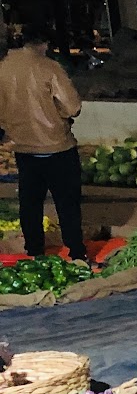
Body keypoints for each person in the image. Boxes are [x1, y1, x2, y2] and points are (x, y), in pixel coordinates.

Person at [0, 25, 88, 261]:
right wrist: (62, 116)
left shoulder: (3, 67)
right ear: (44, 43)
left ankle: (34, 251)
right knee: (67, 203)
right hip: (57, 146)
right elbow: (72, 106)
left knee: (29, 203)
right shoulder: (49, 67)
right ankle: (77, 253)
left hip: (23, 147)